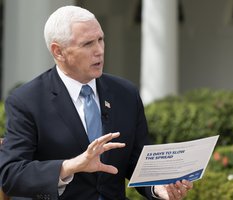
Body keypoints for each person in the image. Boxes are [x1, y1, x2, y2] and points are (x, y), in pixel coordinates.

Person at [0, 5, 193, 200]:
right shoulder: (27, 101)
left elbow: (137, 161)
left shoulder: (125, 93)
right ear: (58, 51)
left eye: (101, 40)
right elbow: (12, 174)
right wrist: (72, 165)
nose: (99, 50)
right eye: (88, 44)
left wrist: (158, 187)